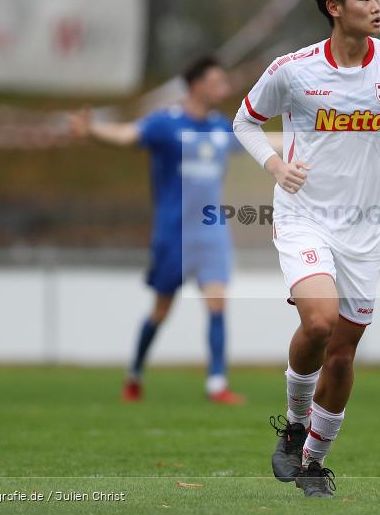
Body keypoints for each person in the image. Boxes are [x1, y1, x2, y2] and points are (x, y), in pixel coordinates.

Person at [232, 0, 380, 498]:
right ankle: (295, 422)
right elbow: (244, 120)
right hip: (305, 217)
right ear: (334, 8)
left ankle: (312, 462)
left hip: (366, 229)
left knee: (344, 352)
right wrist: (277, 165)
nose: (376, 6)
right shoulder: (294, 70)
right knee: (320, 323)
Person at [68, 56, 258, 405]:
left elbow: (265, 146)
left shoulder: (221, 128)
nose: (225, 88)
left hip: (211, 232)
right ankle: (135, 372)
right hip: (174, 233)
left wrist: (317, 139)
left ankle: (217, 384)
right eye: (218, 81)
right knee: (160, 311)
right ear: (197, 84)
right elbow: (127, 134)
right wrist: (92, 130)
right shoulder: (165, 124)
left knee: (217, 304)